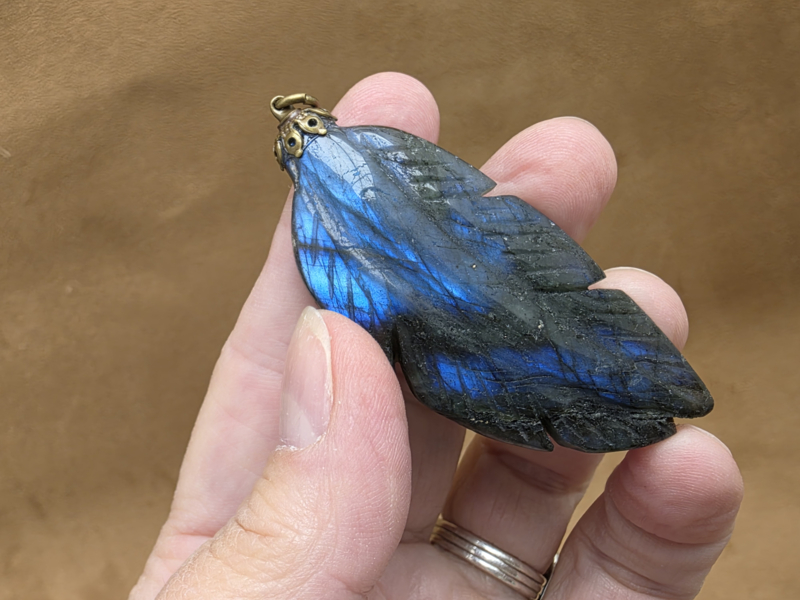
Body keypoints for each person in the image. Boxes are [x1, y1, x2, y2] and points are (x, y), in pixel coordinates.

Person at [128, 72, 743, 600]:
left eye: (304, 129)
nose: (303, 136)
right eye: (296, 137)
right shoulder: (322, 220)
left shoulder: (336, 205)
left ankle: (645, 385)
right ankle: (638, 387)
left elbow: (473, 223)